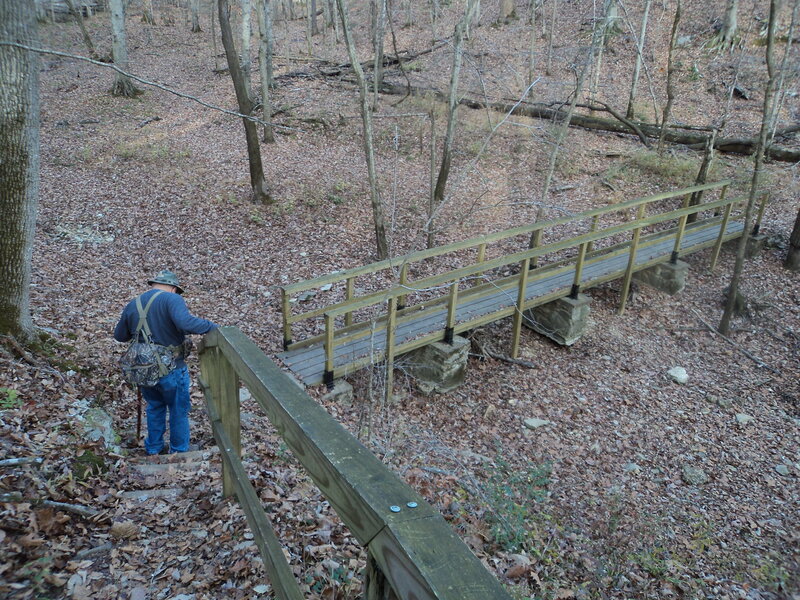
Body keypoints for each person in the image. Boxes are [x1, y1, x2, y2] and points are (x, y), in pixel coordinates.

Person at [114, 270, 217, 455]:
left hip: (144, 369)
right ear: (173, 288)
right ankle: (178, 452)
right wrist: (212, 327)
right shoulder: (172, 299)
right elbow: (186, 323)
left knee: (155, 407)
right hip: (171, 368)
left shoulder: (133, 303)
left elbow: (120, 336)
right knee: (178, 410)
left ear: (154, 284)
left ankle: (153, 449)